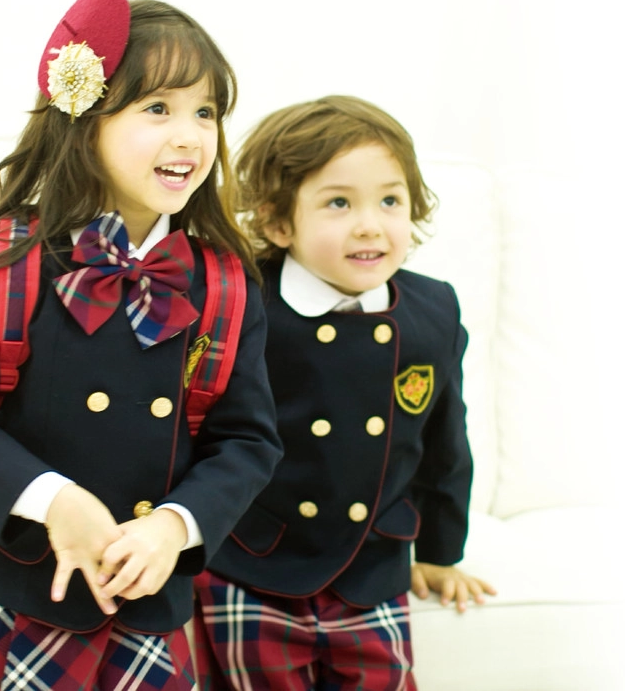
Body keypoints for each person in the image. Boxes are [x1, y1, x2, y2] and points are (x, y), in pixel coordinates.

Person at [0, 0, 282, 691]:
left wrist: (174, 526)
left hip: (141, 604)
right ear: (84, 118)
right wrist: (54, 501)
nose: (189, 134)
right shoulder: (9, 257)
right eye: (157, 108)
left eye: (206, 112)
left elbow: (247, 442)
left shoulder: (224, 283)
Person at [193, 95, 496, 690]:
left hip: (371, 563)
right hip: (252, 559)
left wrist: (441, 553)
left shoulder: (432, 309)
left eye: (390, 201)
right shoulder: (247, 303)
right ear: (279, 223)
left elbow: (445, 443)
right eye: (338, 202)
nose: (370, 224)